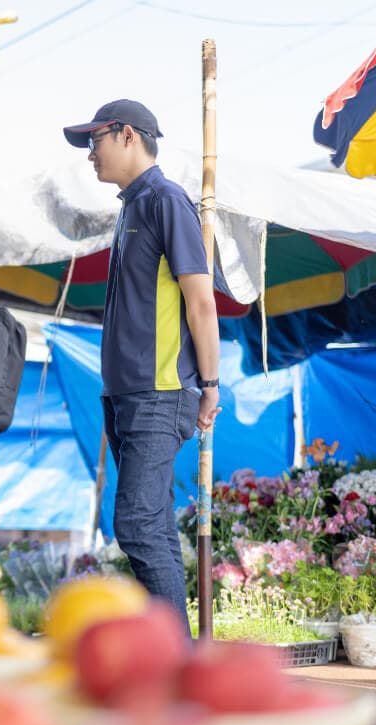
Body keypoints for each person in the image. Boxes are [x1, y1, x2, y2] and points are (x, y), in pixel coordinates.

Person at [63, 99, 221, 631]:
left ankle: (174, 660)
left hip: (159, 391)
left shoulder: (166, 200)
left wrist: (211, 384)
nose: (90, 155)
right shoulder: (131, 207)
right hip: (129, 393)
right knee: (143, 524)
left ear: (127, 135)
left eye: (95, 141)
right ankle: (171, 654)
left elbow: (201, 301)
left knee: (136, 522)